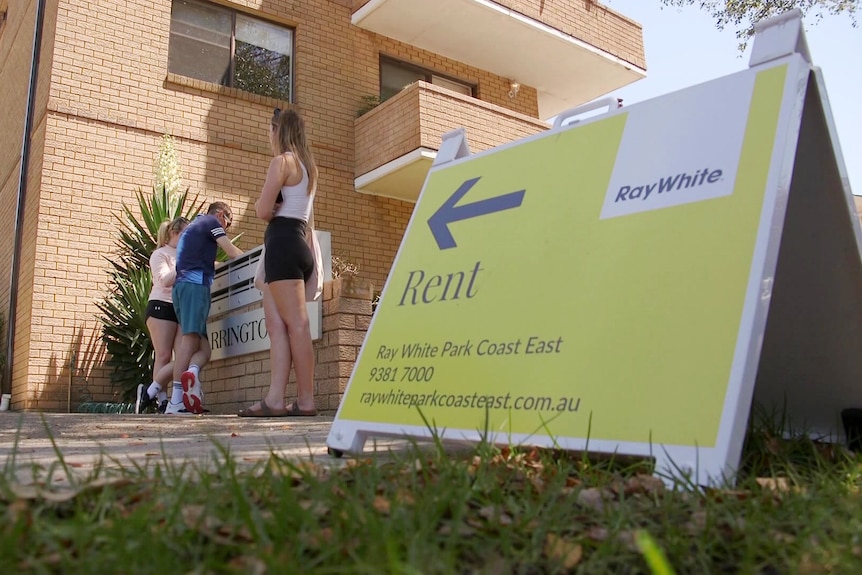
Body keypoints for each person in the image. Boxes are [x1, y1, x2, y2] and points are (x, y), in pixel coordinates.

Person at [238, 108, 318, 417]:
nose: (268, 136)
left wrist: (267, 206)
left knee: (296, 325)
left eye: (270, 130)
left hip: (283, 245)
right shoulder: (308, 168)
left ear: (278, 131)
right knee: (276, 327)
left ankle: (307, 400)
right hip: (291, 243)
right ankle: (274, 400)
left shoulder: (281, 162)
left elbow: (260, 210)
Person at [166, 202, 244, 415]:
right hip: (195, 287)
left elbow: (203, 260)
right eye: (228, 223)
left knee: (204, 350)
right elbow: (230, 250)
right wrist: (257, 260)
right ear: (220, 215)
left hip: (182, 288)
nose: (226, 228)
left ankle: (191, 374)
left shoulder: (194, 226)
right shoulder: (210, 221)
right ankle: (175, 401)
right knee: (189, 340)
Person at [135, 216, 189, 414]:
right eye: (185, 234)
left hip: (181, 307)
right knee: (164, 354)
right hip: (161, 305)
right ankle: (162, 400)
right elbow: (164, 280)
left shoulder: (185, 254)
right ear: (174, 233)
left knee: (183, 353)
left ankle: (155, 393)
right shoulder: (160, 254)